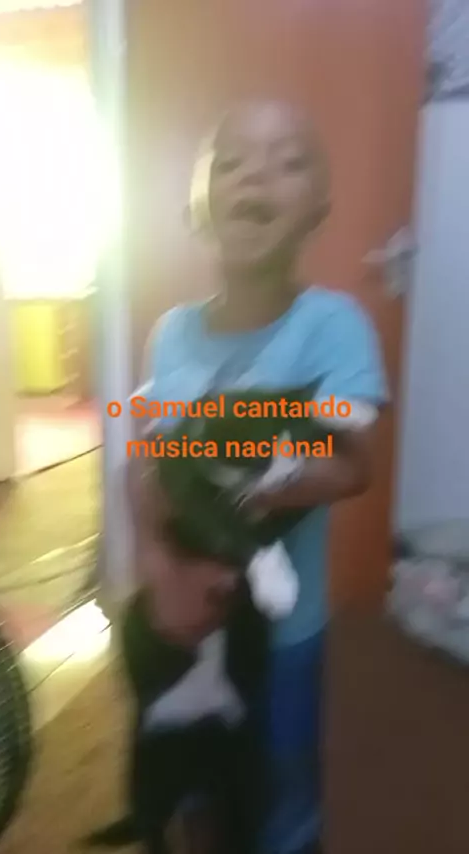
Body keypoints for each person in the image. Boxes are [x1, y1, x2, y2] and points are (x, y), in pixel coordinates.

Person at [128, 99, 389, 854]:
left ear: (317, 211)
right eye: (233, 162)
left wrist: (255, 484)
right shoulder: (171, 334)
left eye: (287, 162)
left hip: (281, 633)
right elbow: (148, 465)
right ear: (198, 207)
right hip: (184, 616)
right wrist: (159, 565)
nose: (256, 176)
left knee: (280, 789)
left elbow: (352, 464)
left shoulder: (332, 325)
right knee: (194, 781)